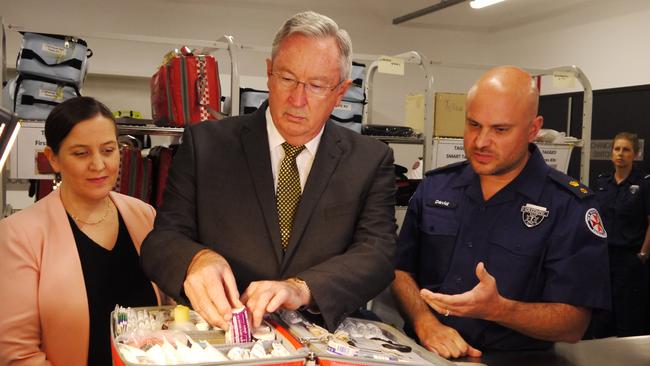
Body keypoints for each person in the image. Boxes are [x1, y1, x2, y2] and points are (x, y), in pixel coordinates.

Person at [141, 11, 397, 332]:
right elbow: (162, 239)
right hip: (222, 335)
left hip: (319, 339)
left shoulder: (369, 160)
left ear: (340, 93)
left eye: (317, 85)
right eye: (287, 78)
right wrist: (196, 259)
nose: (297, 99)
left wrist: (303, 288)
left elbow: (378, 255)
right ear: (268, 73)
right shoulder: (207, 144)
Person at [391, 66, 611, 359]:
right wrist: (425, 322)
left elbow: (573, 323)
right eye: (473, 125)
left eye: (500, 130)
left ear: (533, 129)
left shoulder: (569, 207)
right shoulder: (436, 188)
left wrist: (499, 309)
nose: (481, 142)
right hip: (423, 352)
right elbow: (399, 270)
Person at [0, 97, 162, 366]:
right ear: (53, 159)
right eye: (81, 153)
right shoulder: (19, 235)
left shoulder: (144, 216)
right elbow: (18, 353)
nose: (98, 165)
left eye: (108, 150)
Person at [590, 132, 650, 337]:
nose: (620, 154)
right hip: (602, 258)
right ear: (611, 153)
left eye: (626, 150)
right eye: (617, 149)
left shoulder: (644, 184)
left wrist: (643, 254)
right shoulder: (601, 183)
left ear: (636, 154)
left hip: (629, 260)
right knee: (600, 318)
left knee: (628, 319)